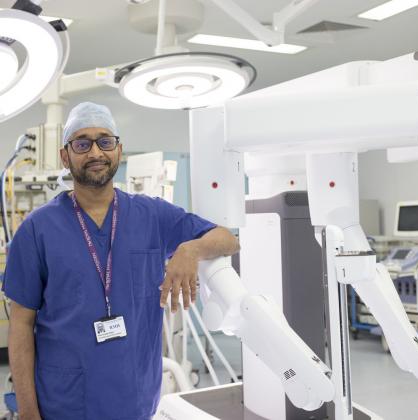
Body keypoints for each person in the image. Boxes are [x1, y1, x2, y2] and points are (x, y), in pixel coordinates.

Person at [3, 102, 240, 420]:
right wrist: (29, 413)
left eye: (105, 141)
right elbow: (20, 325)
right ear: (65, 155)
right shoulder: (37, 229)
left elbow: (228, 239)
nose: (95, 153)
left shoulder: (152, 215)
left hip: (136, 401)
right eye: (82, 143)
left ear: (118, 149)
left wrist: (190, 251)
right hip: (64, 404)